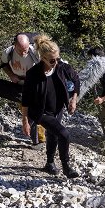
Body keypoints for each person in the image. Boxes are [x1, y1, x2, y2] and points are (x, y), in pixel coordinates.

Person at [21, 35, 81, 179]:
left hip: (58, 108)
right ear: (43, 58)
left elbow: (76, 79)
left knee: (53, 133)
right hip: (40, 111)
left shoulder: (61, 67)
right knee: (64, 134)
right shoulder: (33, 74)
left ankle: (49, 163)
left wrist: (74, 99)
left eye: (58, 58)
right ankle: (66, 166)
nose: (56, 62)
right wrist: (25, 120)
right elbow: (26, 98)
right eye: (52, 60)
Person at [1, 33, 45, 145]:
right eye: (21, 50)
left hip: (35, 86)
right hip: (20, 86)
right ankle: (35, 138)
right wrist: (11, 75)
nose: (24, 52)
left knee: (35, 111)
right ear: (15, 45)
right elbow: (4, 65)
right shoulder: (8, 53)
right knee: (26, 111)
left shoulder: (34, 52)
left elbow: (44, 67)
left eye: (25, 49)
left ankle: (39, 139)